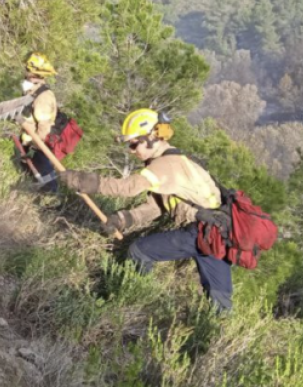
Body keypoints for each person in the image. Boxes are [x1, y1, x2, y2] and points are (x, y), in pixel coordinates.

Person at [60, 108, 234, 313]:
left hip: (200, 232)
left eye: (134, 144)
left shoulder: (165, 165)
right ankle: (219, 324)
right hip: (219, 235)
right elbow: (157, 207)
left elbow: (128, 188)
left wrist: (83, 181)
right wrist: (124, 219)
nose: (132, 151)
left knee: (140, 251)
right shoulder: (181, 160)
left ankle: (131, 304)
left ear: (152, 137)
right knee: (220, 296)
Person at [18, 52, 61, 191]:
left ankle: (51, 197)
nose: (25, 71)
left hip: (40, 144)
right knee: (27, 172)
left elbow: (44, 127)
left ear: (34, 73)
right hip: (29, 141)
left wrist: (35, 147)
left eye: (28, 69)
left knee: (45, 176)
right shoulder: (32, 90)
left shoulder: (43, 97)